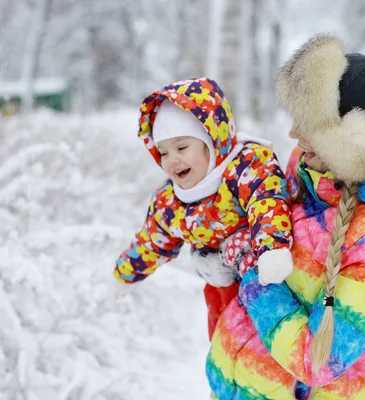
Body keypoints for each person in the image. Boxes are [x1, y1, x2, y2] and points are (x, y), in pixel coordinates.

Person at [206, 33, 365, 399]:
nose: (293, 133)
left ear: (351, 141)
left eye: (309, 125)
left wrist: (251, 270)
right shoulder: (312, 174)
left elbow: (318, 362)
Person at [112, 77, 294, 340]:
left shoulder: (246, 167)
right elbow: (152, 241)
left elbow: (266, 201)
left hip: (269, 280)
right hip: (220, 292)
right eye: (163, 152)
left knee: (269, 355)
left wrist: (272, 248)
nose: (172, 160)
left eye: (182, 147)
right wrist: (124, 273)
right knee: (227, 354)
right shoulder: (170, 201)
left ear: (211, 139)